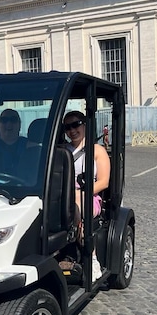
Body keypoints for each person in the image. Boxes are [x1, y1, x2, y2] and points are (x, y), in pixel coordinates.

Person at [63, 111, 110, 283]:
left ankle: (92, 259)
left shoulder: (97, 150)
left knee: (75, 201)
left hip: (90, 196)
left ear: (84, 125)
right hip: (63, 196)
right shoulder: (62, 150)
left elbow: (104, 182)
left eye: (76, 125)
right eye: (68, 127)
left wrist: (80, 193)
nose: (72, 130)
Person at [0, 109, 29, 175]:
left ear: (19, 125)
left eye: (13, 120)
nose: (9, 123)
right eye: (4, 120)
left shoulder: (31, 148)